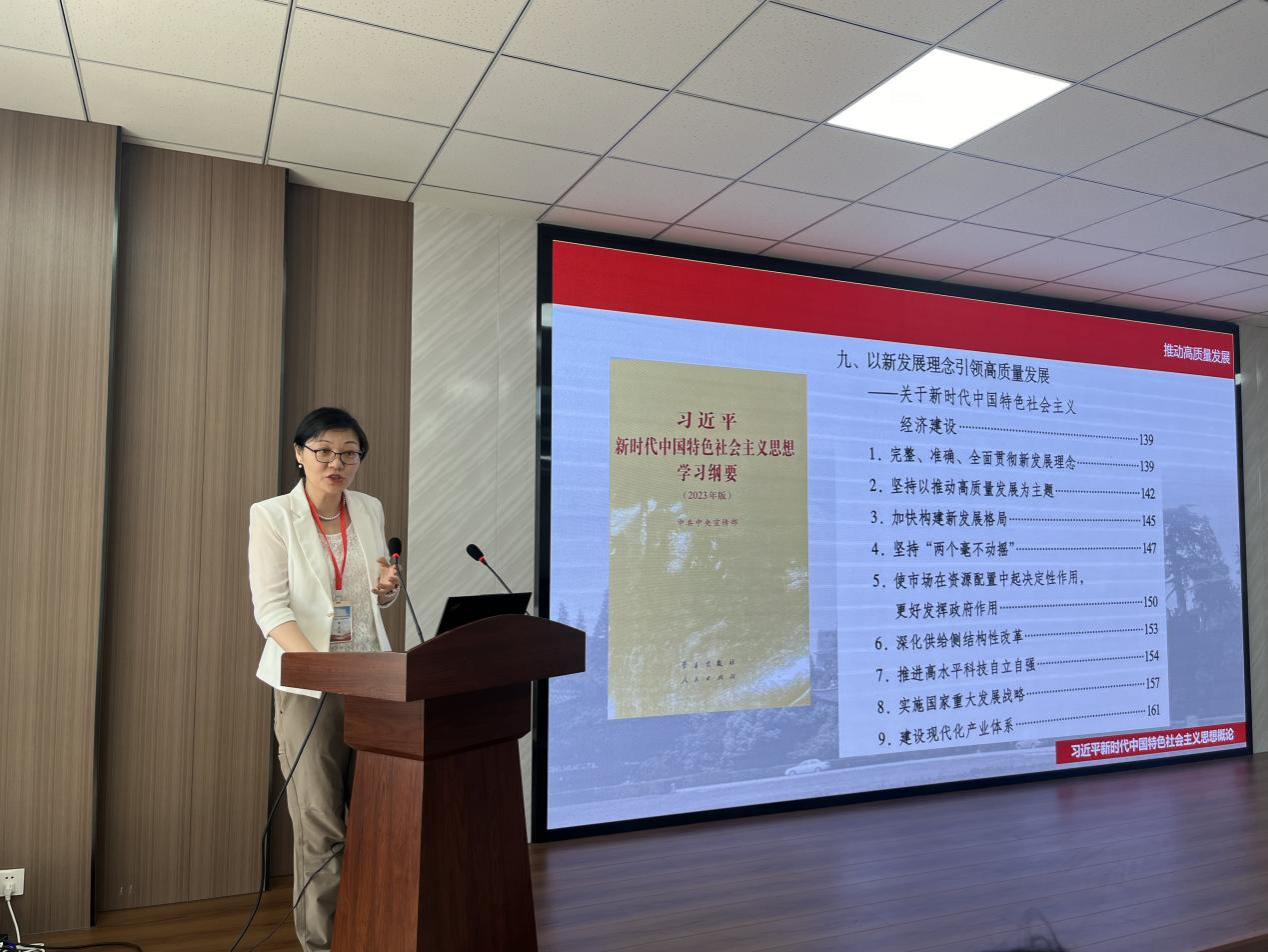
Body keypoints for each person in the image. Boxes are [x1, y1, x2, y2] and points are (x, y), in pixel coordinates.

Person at [247, 406, 401, 952]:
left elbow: (371, 594)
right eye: (324, 451)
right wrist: (322, 668)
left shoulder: (368, 508)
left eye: (349, 454)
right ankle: (321, 945)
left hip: (372, 680)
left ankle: (373, 934)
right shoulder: (272, 515)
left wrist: (386, 590)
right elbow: (271, 610)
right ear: (300, 454)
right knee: (320, 824)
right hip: (309, 688)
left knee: (379, 818)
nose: (337, 463)